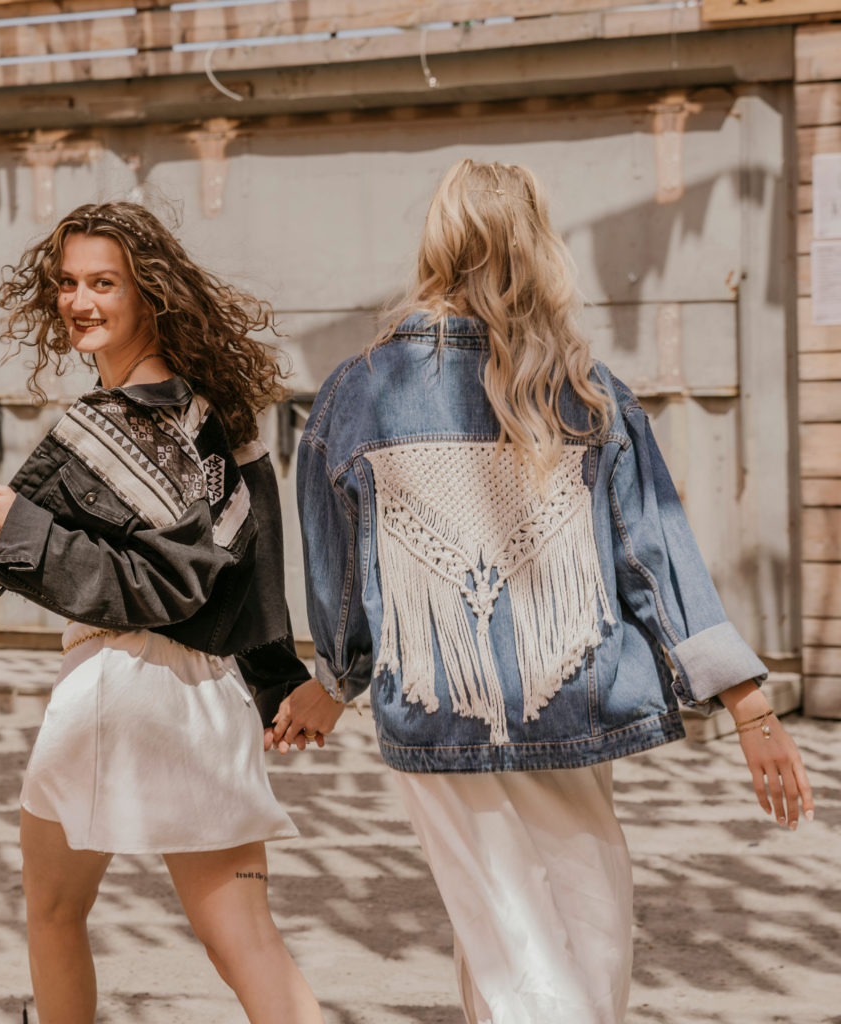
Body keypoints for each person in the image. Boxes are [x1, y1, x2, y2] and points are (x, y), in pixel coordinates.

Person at [270, 160, 814, 1024]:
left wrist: (336, 682)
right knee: (585, 945)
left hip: (436, 705)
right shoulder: (588, 395)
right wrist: (751, 709)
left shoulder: (355, 393)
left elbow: (339, 582)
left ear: (438, 244)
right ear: (538, 248)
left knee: (506, 945)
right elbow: (656, 562)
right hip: (573, 695)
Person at [0, 201, 324, 1024]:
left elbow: (163, 588)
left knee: (54, 914)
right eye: (67, 283)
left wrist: (17, 529)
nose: (78, 301)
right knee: (249, 941)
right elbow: (251, 572)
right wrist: (275, 682)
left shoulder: (117, 423)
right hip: (209, 700)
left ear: (150, 295)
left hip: (119, 689)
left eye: (104, 284)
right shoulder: (219, 417)